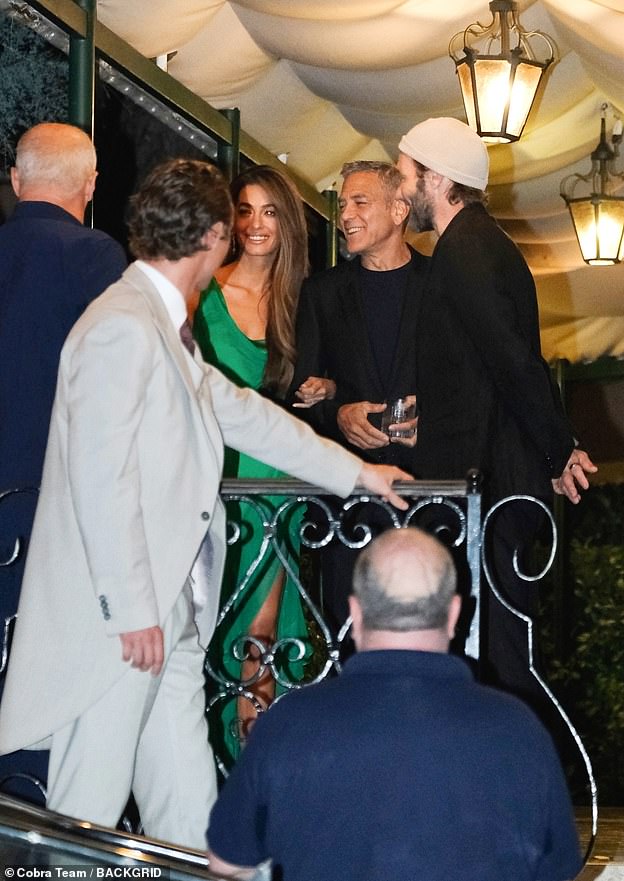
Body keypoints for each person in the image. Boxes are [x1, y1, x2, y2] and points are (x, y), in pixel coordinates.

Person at [0, 158, 410, 850]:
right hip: (122, 628)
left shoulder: (161, 326)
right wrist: (133, 612)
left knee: (188, 816)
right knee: (84, 823)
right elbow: (102, 479)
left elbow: (247, 415)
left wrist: (360, 475)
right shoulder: (123, 326)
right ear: (216, 237)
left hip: (167, 618)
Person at [206, 527, 583, 881]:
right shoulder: (518, 730)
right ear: (454, 615)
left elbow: (226, 863)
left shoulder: (286, 725)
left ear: (354, 614)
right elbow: (559, 868)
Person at [396, 117, 597, 700]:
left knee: (499, 654)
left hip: (489, 488)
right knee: (489, 649)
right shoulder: (474, 246)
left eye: (407, 173)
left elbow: (513, 362)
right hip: (484, 485)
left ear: (437, 180)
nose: (400, 187)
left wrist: (560, 449)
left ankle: (514, 780)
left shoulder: (467, 252)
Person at [0, 122, 126, 802]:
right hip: (46, 516)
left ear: (17, 182)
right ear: (90, 185)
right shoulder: (96, 257)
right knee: (38, 694)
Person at [193, 165, 327, 760]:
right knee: (213, 633)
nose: (255, 225)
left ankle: (259, 768)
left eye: (270, 212)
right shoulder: (203, 293)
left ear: (288, 224)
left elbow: (332, 387)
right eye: (245, 211)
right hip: (216, 482)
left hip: (279, 488)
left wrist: (328, 391)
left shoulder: (306, 303)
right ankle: (216, 771)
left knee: (263, 635)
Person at [289, 160, 428, 633]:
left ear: (399, 209)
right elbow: (298, 394)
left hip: (429, 494)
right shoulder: (321, 293)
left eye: (360, 202)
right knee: (349, 640)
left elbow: (467, 384)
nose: (345, 213)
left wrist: (432, 419)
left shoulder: (441, 285)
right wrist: (337, 412)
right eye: (343, 203)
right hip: (349, 506)